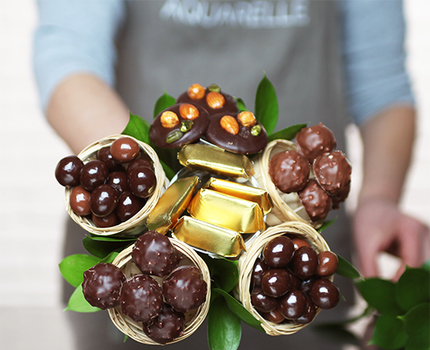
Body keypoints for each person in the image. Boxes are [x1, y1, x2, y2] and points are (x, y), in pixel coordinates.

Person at [33, 0, 429, 281]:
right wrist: (147, 197)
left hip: (296, 259)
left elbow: (383, 87)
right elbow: (69, 60)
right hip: (141, 258)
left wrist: (379, 199)